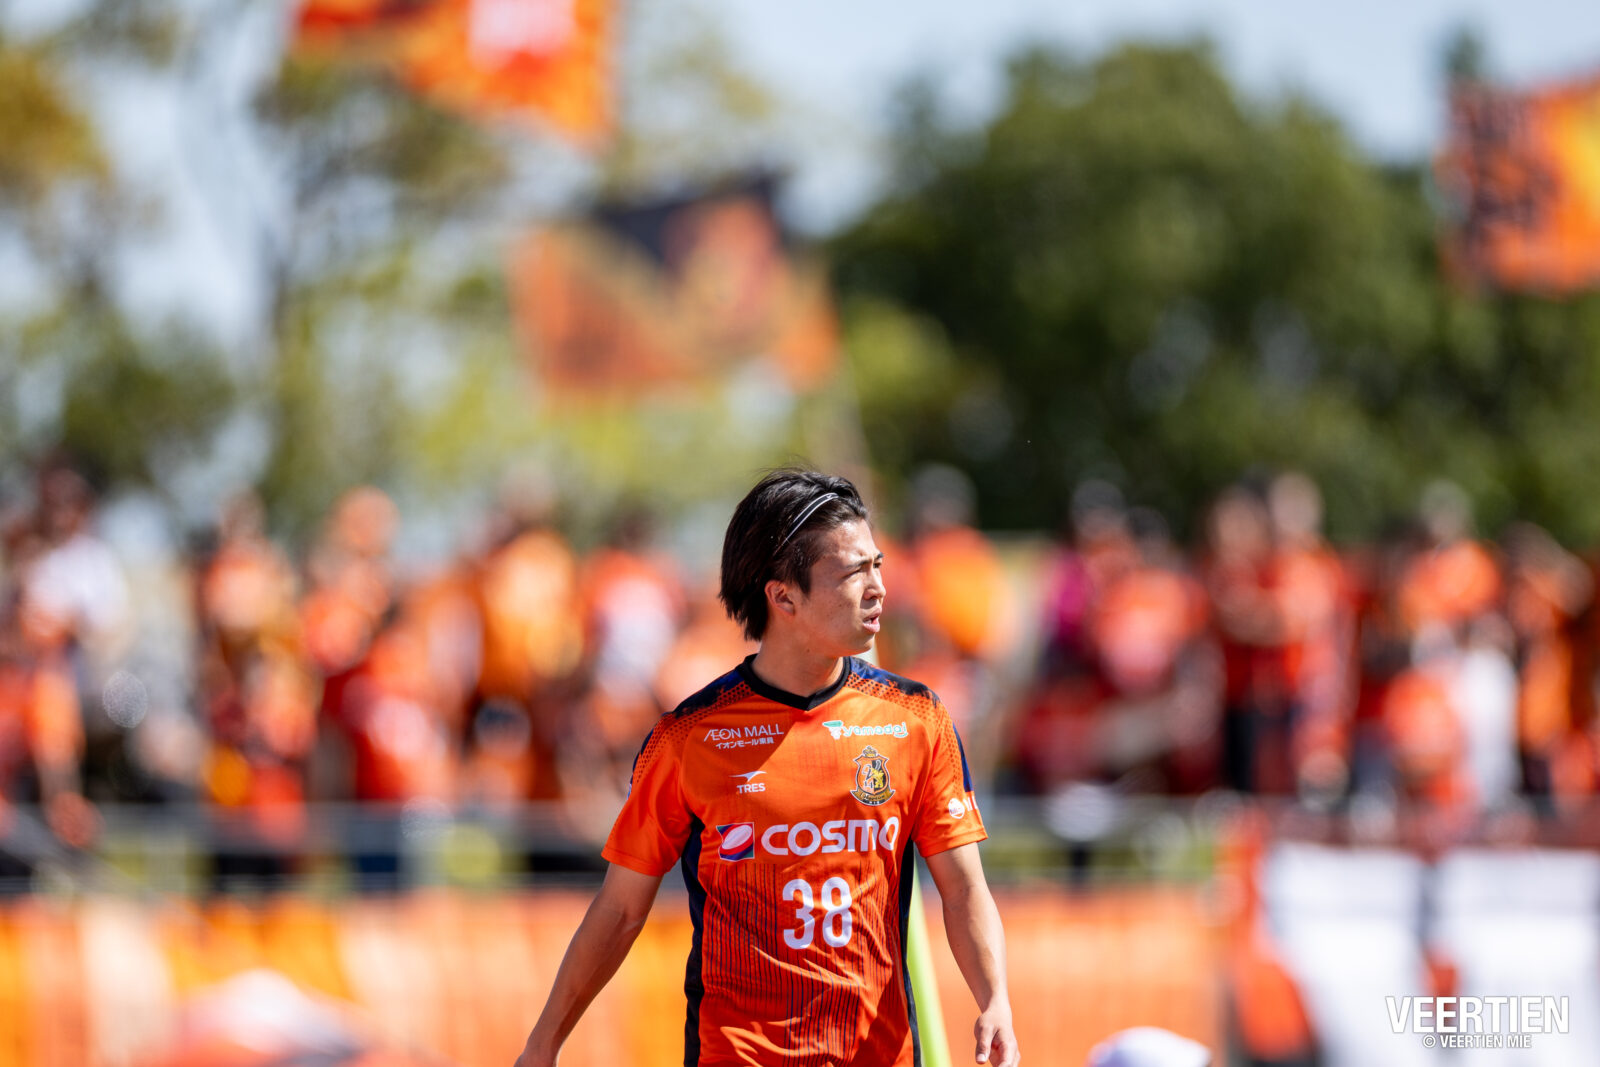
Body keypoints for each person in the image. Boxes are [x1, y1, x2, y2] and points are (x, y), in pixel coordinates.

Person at [515, 469, 1019, 1067]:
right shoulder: (688, 738)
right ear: (783, 598)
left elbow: (963, 889)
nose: (880, 587)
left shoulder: (917, 720)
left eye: (878, 565)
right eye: (853, 572)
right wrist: (544, 1043)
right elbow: (620, 910)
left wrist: (995, 999)